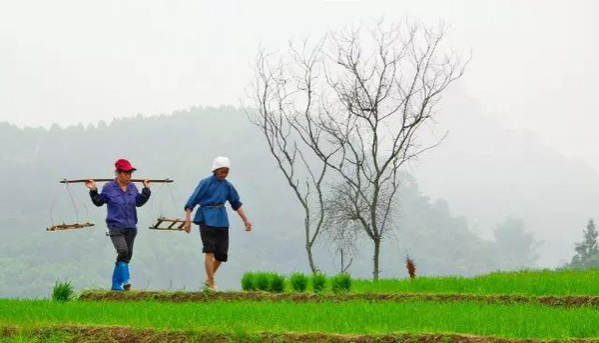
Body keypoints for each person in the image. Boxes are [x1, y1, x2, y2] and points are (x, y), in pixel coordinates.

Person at [184, 156, 252, 290]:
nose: (224, 174)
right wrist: (188, 220)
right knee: (209, 251)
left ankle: (208, 278)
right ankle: (211, 283)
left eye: (226, 171)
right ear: (215, 170)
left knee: (221, 254)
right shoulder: (205, 183)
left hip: (221, 219)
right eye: (222, 171)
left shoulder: (228, 186)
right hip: (206, 218)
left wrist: (246, 220)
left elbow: (236, 203)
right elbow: (191, 201)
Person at [85, 158, 151, 291]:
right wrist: (93, 190)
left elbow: (138, 202)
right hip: (115, 226)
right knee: (123, 251)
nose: (129, 176)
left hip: (131, 227)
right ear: (118, 173)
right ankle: (126, 281)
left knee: (126, 256)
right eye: (126, 173)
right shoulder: (109, 187)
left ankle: (116, 285)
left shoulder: (132, 187)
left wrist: (146, 190)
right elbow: (99, 201)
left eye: (130, 173)